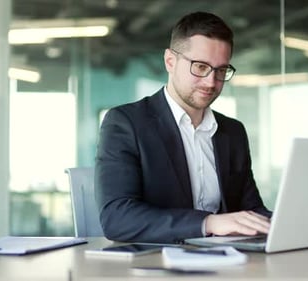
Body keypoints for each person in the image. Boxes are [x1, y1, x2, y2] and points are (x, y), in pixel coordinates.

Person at [95, 11, 272, 243]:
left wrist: (287, 221)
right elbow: (117, 218)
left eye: (221, 70)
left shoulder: (232, 131)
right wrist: (208, 223)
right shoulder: (126, 123)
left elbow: (250, 209)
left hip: (226, 264)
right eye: (200, 67)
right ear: (170, 61)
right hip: (155, 266)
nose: (211, 82)